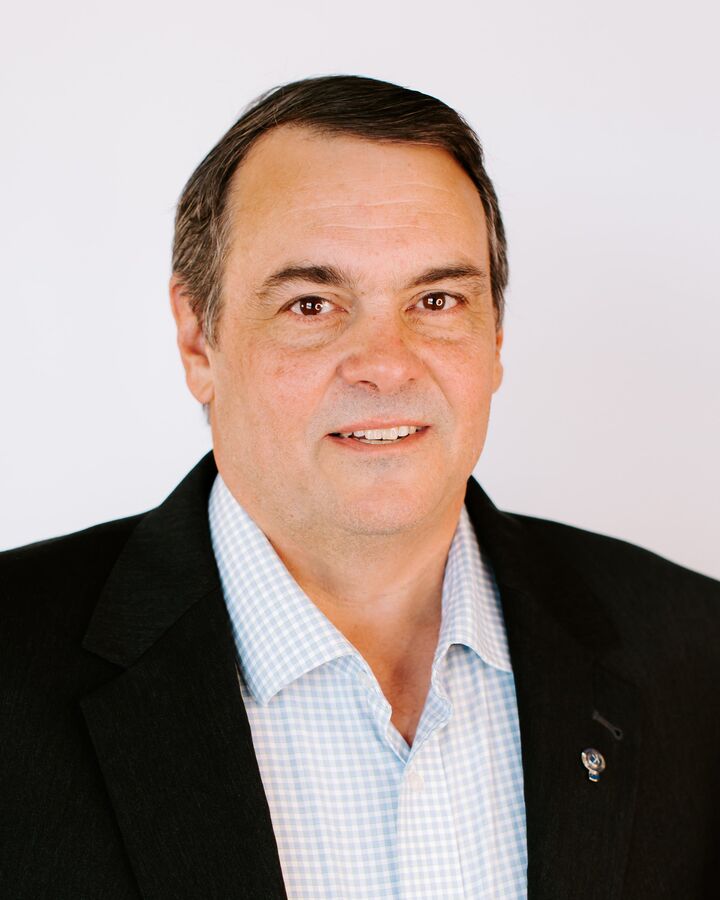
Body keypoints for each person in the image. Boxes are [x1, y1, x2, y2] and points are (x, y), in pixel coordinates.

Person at [1, 75, 718, 900]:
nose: (386, 365)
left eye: (437, 299)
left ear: (495, 336)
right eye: (312, 305)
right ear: (199, 339)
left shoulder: (695, 655)